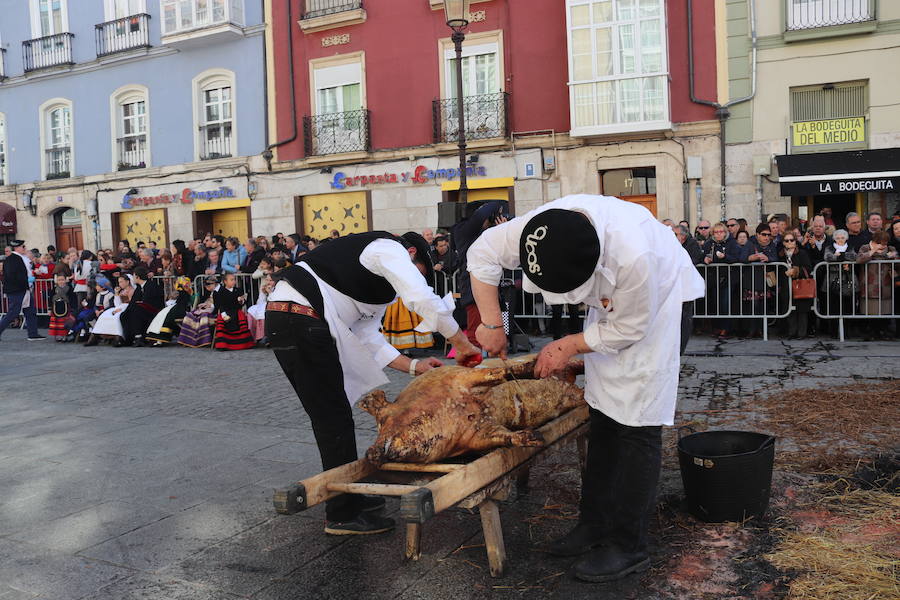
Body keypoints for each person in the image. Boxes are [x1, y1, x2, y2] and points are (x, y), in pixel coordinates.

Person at [467, 196, 704, 583]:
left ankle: (629, 546)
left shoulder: (635, 256)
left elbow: (629, 328)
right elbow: (482, 253)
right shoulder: (535, 228)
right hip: (614, 306)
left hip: (660, 306)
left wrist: (567, 345)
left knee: (636, 425)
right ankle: (594, 524)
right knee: (604, 417)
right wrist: (493, 323)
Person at [265, 230, 480, 535]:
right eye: (418, 271)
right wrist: (462, 342)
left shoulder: (373, 284)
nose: (412, 279)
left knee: (335, 415)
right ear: (411, 254)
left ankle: (347, 495)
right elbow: (420, 297)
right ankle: (341, 514)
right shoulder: (386, 249)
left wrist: (415, 366)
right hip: (299, 317)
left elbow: (368, 338)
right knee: (332, 416)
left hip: (299, 319)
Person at [451, 200, 510, 347]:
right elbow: (482, 214)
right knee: (475, 328)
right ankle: (473, 362)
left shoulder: (483, 233)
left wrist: (503, 229)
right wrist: (498, 204)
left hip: (488, 285)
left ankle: (490, 358)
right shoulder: (463, 230)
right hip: (473, 286)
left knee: (492, 326)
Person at [0, 240, 44, 341]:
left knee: (30, 311)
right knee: (13, 312)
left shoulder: (20, 258)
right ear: (17, 248)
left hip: (24, 288)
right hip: (17, 289)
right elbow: (12, 275)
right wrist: (26, 280)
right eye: (23, 247)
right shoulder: (12, 259)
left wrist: (31, 276)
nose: (25, 248)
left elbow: (25, 271)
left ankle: (33, 333)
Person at [857, 231, 897, 340]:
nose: (884, 246)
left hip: (886, 285)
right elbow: (859, 259)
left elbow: (897, 262)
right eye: (881, 243)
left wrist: (894, 256)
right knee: (870, 310)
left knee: (885, 310)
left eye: (885, 243)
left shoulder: (890, 248)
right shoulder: (865, 247)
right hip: (869, 285)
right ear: (875, 241)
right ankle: (871, 333)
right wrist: (873, 251)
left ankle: (883, 332)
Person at [778, 232, 813, 339]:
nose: (789, 242)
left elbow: (808, 268)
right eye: (786, 240)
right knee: (789, 308)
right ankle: (791, 332)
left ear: (795, 241)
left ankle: (802, 333)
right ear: (783, 242)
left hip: (800, 284)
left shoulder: (802, 253)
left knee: (801, 309)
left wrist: (795, 271)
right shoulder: (781, 255)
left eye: (791, 240)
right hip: (786, 285)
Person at [119, 266, 164, 347]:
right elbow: (133, 301)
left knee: (135, 311)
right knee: (125, 314)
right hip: (142, 309)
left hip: (153, 310)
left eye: (134, 276)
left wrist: (140, 303)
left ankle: (139, 337)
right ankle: (129, 339)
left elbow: (154, 301)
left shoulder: (152, 286)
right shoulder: (139, 288)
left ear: (137, 277)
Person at [212, 272, 255, 351]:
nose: (234, 281)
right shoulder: (220, 292)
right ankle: (224, 345)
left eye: (234, 279)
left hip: (236, 311)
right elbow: (220, 305)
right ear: (225, 281)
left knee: (241, 318)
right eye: (231, 280)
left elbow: (242, 303)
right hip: (225, 311)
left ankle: (243, 344)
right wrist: (224, 315)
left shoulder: (238, 290)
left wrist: (241, 301)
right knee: (222, 322)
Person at [146, 276, 193, 346]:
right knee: (162, 315)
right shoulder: (181, 293)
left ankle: (161, 338)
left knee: (167, 316)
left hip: (182, 310)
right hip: (176, 308)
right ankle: (157, 337)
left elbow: (186, 303)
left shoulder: (188, 293)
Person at [89, 275, 134, 344]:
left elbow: (131, 303)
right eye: (119, 282)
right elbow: (117, 303)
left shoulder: (131, 290)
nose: (120, 284)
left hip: (127, 307)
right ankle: (95, 335)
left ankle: (118, 337)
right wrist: (116, 294)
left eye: (121, 282)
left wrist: (120, 309)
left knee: (116, 317)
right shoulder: (122, 291)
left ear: (127, 282)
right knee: (104, 315)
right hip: (120, 307)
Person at [177, 276, 218, 348]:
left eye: (208, 285)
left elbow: (219, 305)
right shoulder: (212, 292)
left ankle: (203, 340)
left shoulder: (219, 291)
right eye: (206, 285)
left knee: (203, 316)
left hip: (215, 312)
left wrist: (209, 306)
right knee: (190, 315)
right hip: (209, 309)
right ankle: (187, 340)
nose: (206, 287)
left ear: (215, 284)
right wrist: (205, 304)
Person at [82, 277, 117, 346]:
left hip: (107, 312)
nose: (96, 287)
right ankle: (96, 331)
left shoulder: (110, 295)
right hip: (99, 311)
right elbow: (96, 305)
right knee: (89, 318)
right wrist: (96, 310)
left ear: (103, 287)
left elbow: (111, 306)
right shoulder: (98, 294)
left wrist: (103, 311)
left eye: (97, 285)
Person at [49, 273, 77, 342]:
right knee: (57, 323)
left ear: (65, 280)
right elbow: (50, 299)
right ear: (57, 281)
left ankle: (65, 335)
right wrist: (49, 309)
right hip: (56, 307)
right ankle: (57, 336)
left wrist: (73, 308)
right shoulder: (54, 289)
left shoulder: (69, 289)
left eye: (62, 280)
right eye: (59, 280)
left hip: (66, 307)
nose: (61, 281)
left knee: (64, 323)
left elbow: (73, 299)